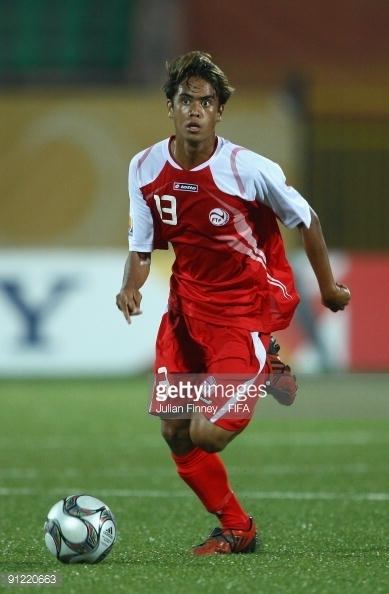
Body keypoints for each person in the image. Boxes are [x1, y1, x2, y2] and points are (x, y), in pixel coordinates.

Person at [116, 51, 351, 555]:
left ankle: (261, 362)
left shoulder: (248, 168)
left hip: (243, 310)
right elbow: (141, 247)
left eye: (206, 101)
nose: (195, 109)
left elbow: (306, 219)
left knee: (209, 434)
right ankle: (236, 527)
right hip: (185, 312)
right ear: (171, 106)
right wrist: (130, 284)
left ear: (220, 111)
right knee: (176, 432)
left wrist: (329, 289)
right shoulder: (144, 167)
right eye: (186, 100)